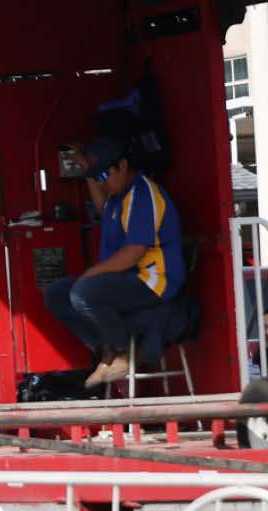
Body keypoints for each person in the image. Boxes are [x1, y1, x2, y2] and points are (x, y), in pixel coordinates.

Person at [42, 136, 185, 391]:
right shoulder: (118, 196)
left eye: (104, 175)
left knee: (83, 293)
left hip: (153, 281)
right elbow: (102, 206)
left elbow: (133, 253)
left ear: (123, 165)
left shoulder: (143, 194)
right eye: (98, 178)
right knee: (56, 294)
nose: (101, 182)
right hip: (128, 278)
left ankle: (123, 354)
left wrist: (91, 274)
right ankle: (105, 350)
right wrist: (87, 168)